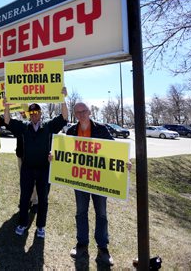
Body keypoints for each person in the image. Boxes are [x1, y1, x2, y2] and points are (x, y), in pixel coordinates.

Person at [4, 88, 68, 239]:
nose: (34, 115)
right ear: (29, 114)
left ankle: (40, 226)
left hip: (44, 169)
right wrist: (6, 105)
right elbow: (7, 121)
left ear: (40, 113)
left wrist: (63, 98)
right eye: (31, 113)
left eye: (36, 113)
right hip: (27, 168)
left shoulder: (48, 127)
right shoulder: (24, 127)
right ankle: (22, 223)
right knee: (24, 197)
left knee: (43, 199)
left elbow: (64, 117)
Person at [64, 102, 120, 266]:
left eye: (84, 111)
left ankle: (103, 248)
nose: (81, 114)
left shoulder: (101, 129)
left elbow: (114, 150)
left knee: (101, 214)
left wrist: (124, 162)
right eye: (78, 112)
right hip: (80, 179)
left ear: (89, 112)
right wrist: (54, 156)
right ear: (75, 114)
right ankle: (82, 245)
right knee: (81, 212)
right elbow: (64, 151)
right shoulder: (71, 131)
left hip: (99, 179)